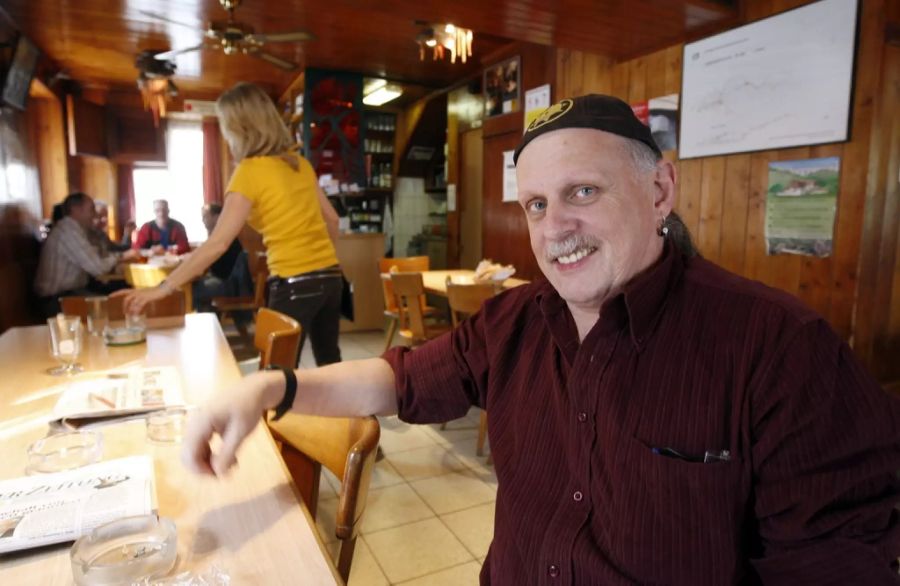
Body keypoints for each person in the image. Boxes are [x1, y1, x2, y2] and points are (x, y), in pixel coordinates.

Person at [180, 95, 900, 584]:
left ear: (660, 193)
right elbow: (400, 378)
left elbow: (837, 563)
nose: (555, 227)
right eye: (536, 204)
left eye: (584, 192)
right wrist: (274, 385)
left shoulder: (781, 349)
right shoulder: (515, 320)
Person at [121, 82, 343, 366]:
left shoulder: (248, 172)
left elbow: (218, 243)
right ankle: (347, 411)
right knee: (330, 362)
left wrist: (162, 288)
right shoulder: (299, 164)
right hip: (330, 278)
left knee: (276, 374)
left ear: (238, 127)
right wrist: (326, 263)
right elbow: (333, 220)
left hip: (294, 282)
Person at [34, 192, 137, 317]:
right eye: (91, 209)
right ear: (76, 210)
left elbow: (100, 257)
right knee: (121, 305)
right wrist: (121, 257)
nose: (95, 214)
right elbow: (98, 268)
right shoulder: (68, 232)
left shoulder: (75, 230)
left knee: (125, 293)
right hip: (57, 300)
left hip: (70, 293)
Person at [192, 203, 248, 312]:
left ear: (217, 217)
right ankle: (209, 316)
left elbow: (205, 262)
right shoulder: (218, 234)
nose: (202, 220)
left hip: (228, 284)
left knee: (192, 291)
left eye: (205, 216)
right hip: (223, 279)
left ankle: (207, 320)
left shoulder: (223, 238)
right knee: (193, 286)